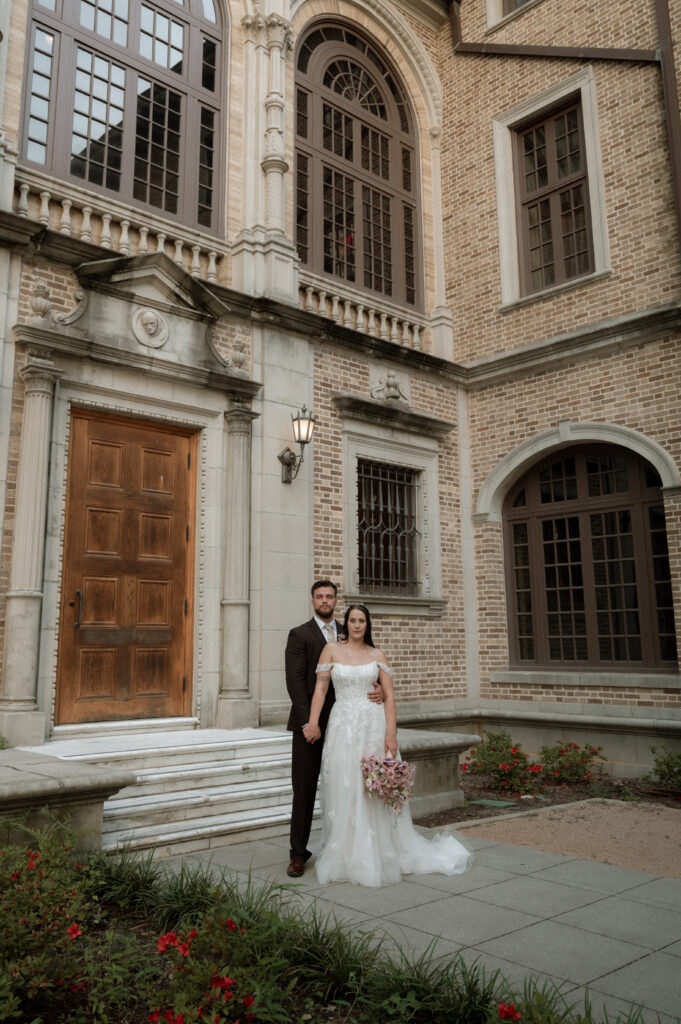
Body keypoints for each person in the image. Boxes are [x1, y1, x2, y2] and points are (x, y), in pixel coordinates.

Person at [306, 604, 473, 887]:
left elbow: (391, 695)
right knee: (344, 784)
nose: (357, 625)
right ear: (346, 623)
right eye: (353, 620)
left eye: (362, 621)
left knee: (372, 787)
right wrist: (313, 723)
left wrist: (391, 735)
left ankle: (379, 850)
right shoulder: (331, 650)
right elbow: (321, 689)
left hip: (372, 725)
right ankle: (346, 852)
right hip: (342, 725)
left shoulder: (377, 654)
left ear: (367, 625)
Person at [285, 581, 383, 877]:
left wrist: (375, 688)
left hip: (349, 724)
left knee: (350, 785)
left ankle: (350, 848)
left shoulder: (351, 630)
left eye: (330, 596)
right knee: (304, 787)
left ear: (336, 600)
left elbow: (367, 665)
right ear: (312, 599)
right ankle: (298, 854)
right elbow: (295, 682)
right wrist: (307, 723)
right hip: (310, 725)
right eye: (319, 596)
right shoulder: (299, 634)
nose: (325, 600)